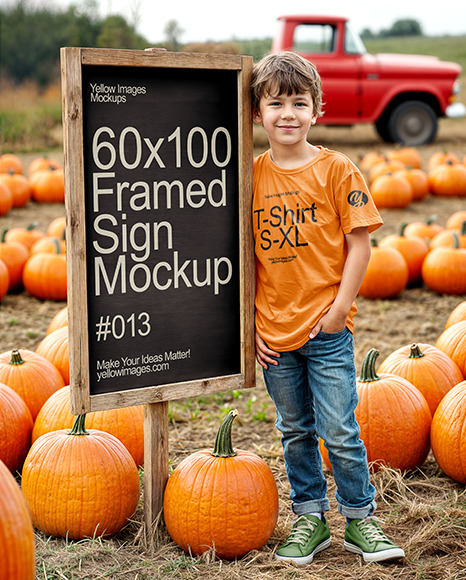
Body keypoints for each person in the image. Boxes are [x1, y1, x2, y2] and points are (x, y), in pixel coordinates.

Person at [251, 51, 405, 566]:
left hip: (327, 328)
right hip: (274, 334)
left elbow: (360, 245)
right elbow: (238, 257)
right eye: (275, 103)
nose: (287, 113)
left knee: (339, 429)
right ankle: (310, 519)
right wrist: (248, 327)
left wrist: (340, 308)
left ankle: (362, 521)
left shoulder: (337, 170)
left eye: (299, 102)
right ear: (257, 113)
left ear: (317, 109)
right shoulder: (249, 177)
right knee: (294, 430)